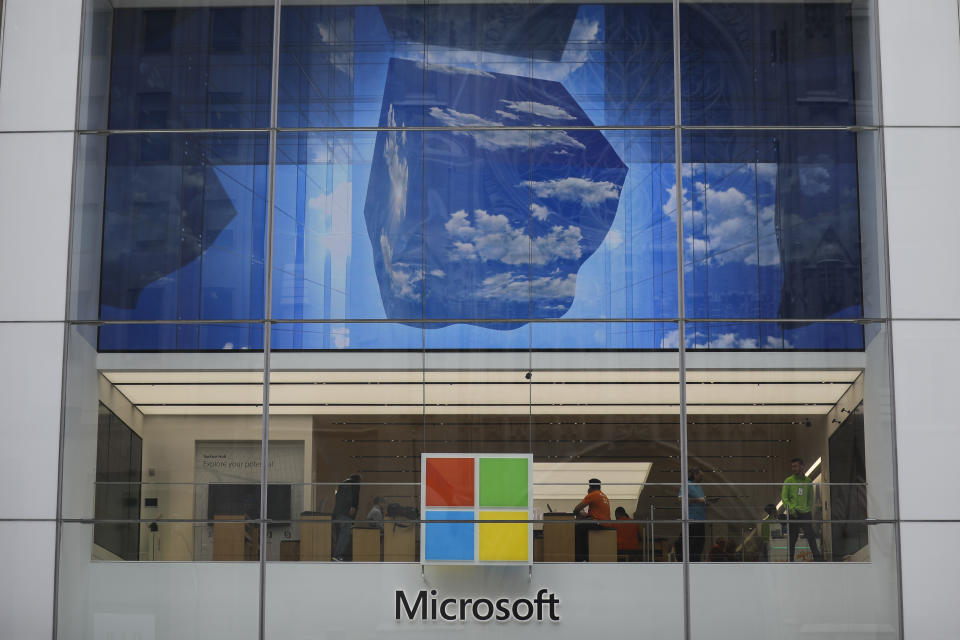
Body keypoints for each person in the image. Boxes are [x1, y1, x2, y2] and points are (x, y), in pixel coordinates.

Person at [781, 457, 824, 562]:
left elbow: (810, 497)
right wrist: (791, 510)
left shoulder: (808, 481)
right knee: (792, 538)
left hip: (805, 513)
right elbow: (784, 498)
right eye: (792, 466)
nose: (793, 468)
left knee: (811, 536)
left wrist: (808, 509)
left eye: (795, 466)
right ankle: (790, 560)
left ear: (802, 466)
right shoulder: (788, 481)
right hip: (793, 513)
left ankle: (818, 559)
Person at [572, 478, 611, 562]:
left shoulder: (593, 494)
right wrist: (586, 515)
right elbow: (598, 512)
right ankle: (586, 556)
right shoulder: (603, 495)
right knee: (584, 529)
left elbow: (576, 509)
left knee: (577, 528)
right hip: (605, 522)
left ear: (591, 487)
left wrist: (579, 513)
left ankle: (580, 558)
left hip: (598, 522)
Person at [677, 468, 707, 562]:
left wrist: (705, 501)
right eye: (700, 476)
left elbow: (701, 499)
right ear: (694, 474)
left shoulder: (698, 486)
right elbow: (681, 499)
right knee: (693, 543)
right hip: (692, 519)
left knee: (700, 542)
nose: (702, 478)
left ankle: (696, 561)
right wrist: (699, 500)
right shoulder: (687, 485)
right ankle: (690, 561)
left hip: (700, 519)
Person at [331, 473, 362, 561]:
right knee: (345, 535)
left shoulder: (342, 484)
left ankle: (335, 554)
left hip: (337, 514)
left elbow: (338, 499)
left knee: (339, 535)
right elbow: (354, 498)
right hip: (346, 514)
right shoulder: (354, 484)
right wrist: (352, 507)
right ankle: (338, 555)